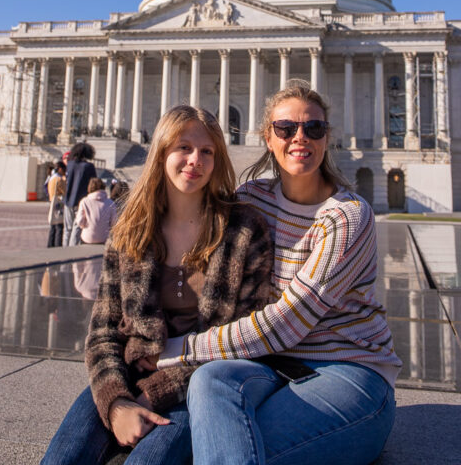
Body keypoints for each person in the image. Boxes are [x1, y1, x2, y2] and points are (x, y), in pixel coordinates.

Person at [157, 81, 402, 465]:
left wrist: (180, 348)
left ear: (327, 138)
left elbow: (288, 322)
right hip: (269, 367)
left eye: (313, 128)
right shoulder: (253, 198)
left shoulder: (347, 216)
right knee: (208, 385)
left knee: (231, 447)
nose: (300, 137)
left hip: (348, 371)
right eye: (286, 128)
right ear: (268, 138)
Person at [41, 105, 272, 465]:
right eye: (183, 147)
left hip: (197, 385)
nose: (195, 159)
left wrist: (157, 392)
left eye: (207, 151)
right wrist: (116, 402)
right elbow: (102, 331)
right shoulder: (131, 230)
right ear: (162, 151)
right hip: (127, 374)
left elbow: (246, 337)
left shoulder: (243, 232)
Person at [63, 142, 96, 246]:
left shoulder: (70, 164)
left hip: (68, 200)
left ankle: (64, 249)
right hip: (81, 200)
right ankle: (72, 251)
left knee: (67, 229)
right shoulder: (88, 166)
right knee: (77, 228)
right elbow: (94, 183)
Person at [75, 177, 117, 245]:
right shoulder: (110, 203)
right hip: (104, 238)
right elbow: (114, 222)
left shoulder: (84, 201)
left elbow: (80, 221)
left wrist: (85, 225)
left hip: (87, 238)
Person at [47, 161, 67, 247]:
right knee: (59, 225)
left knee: (52, 225)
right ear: (60, 169)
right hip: (59, 203)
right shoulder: (59, 179)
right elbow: (64, 191)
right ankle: (57, 245)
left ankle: (50, 245)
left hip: (52, 201)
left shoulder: (51, 178)